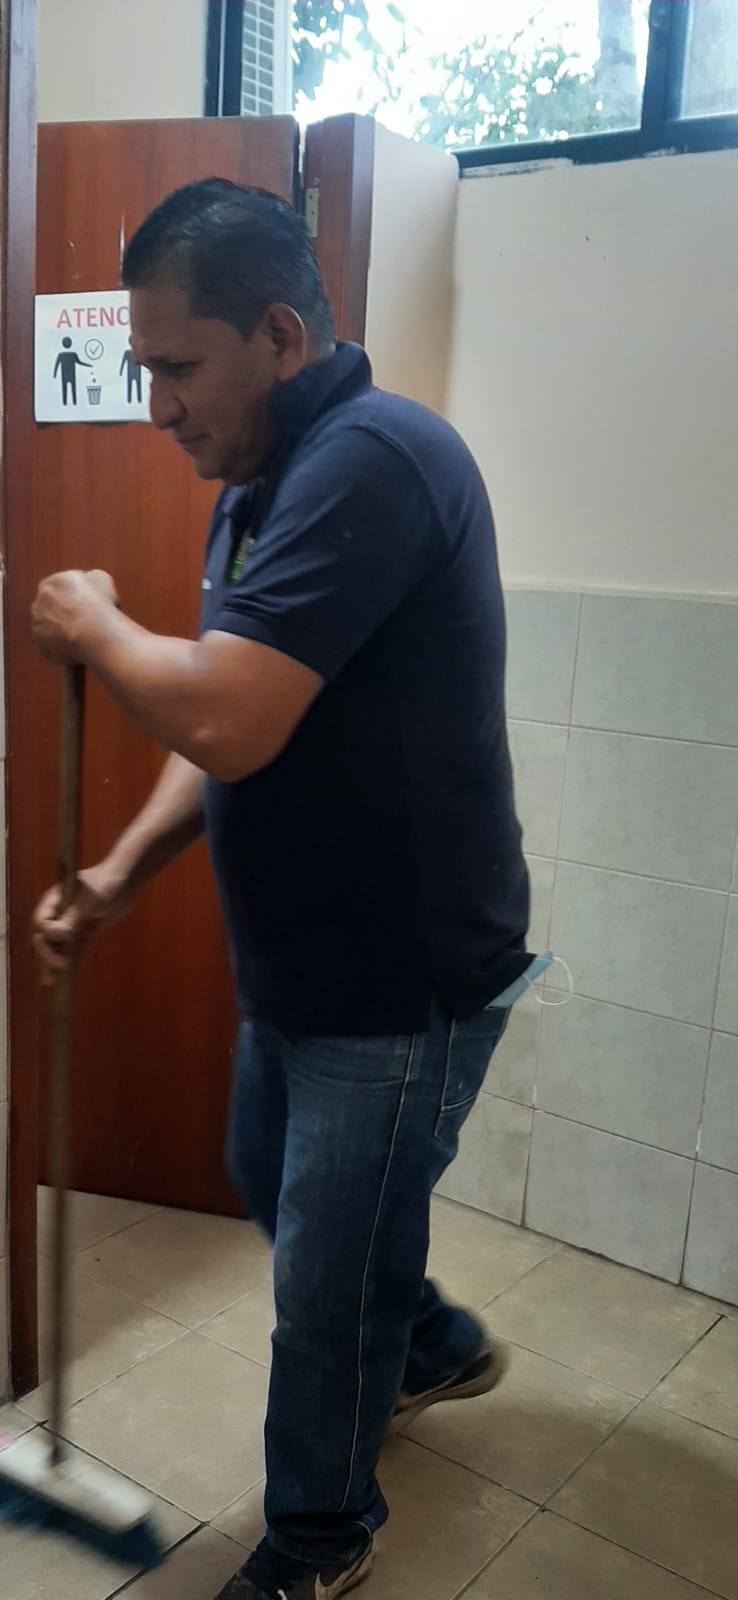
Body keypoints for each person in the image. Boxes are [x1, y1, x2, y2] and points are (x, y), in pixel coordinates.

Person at [31, 181, 531, 1600]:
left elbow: (227, 715)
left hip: (402, 976)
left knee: (320, 1285)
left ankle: (319, 1536)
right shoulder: (260, 488)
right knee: (276, 1180)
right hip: (306, 963)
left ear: (278, 333)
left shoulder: (375, 461)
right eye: (144, 369)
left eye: (177, 368)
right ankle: (426, 1341)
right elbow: (223, 717)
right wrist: (117, 876)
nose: (158, 408)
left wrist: (98, 626)